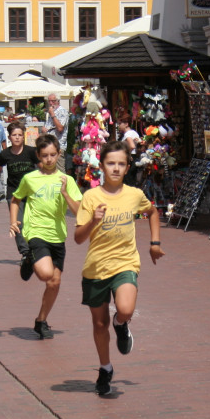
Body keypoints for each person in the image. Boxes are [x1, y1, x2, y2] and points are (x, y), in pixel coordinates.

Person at [74, 141, 164, 396]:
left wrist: (154, 244)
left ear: (127, 168)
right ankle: (105, 368)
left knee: (125, 309)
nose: (115, 168)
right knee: (99, 325)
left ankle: (121, 323)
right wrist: (93, 220)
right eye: (111, 163)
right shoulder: (91, 197)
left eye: (121, 164)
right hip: (95, 268)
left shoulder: (134, 195)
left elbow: (153, 212)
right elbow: (79, 238)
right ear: (101, 165)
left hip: (126, 263)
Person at [9, 134, 82, 340]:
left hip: (58, 236)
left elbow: (79, 212)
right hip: (36, 232)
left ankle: (41, 321)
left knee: (54, 283)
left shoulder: (67, 180)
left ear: (59, 154)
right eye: (44, 156)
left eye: (52, 155)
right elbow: (16, 200)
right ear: (38, 157)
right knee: (45, 274)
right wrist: (14, 221)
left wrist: (66, 194)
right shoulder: (30, 178)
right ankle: (30, 257)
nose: (49, 159)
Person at [0, 121, 38, 270]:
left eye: (20, 135)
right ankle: (25, 253)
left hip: (31, 192)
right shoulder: (5, 154)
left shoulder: (31, 152)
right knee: (18, 223)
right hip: (13, 194)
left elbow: (43, 167)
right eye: (14, 135)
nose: (17, 138)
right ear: (10, 137)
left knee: (32, 222)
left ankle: (35, 250)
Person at [41, 94, 69, 172]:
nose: (50, 103)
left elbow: (60, 128)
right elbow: (50, 127)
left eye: (53, 101)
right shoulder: (50, 112)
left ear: (57, 101)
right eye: (49, 101)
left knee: (60, 171)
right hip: (49, 145)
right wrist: (44, 129)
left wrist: (53, 115)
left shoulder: (62, 111)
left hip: (58, 146)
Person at [115, 110, 141, 187]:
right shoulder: (134, 133)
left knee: (127, 180)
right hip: (134, 157)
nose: (119, 125)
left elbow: (132, 146)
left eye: (120, 123)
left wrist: (127, 153)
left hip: (129, 158)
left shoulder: (127, 134)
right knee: (132, 180)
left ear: (126, 124)